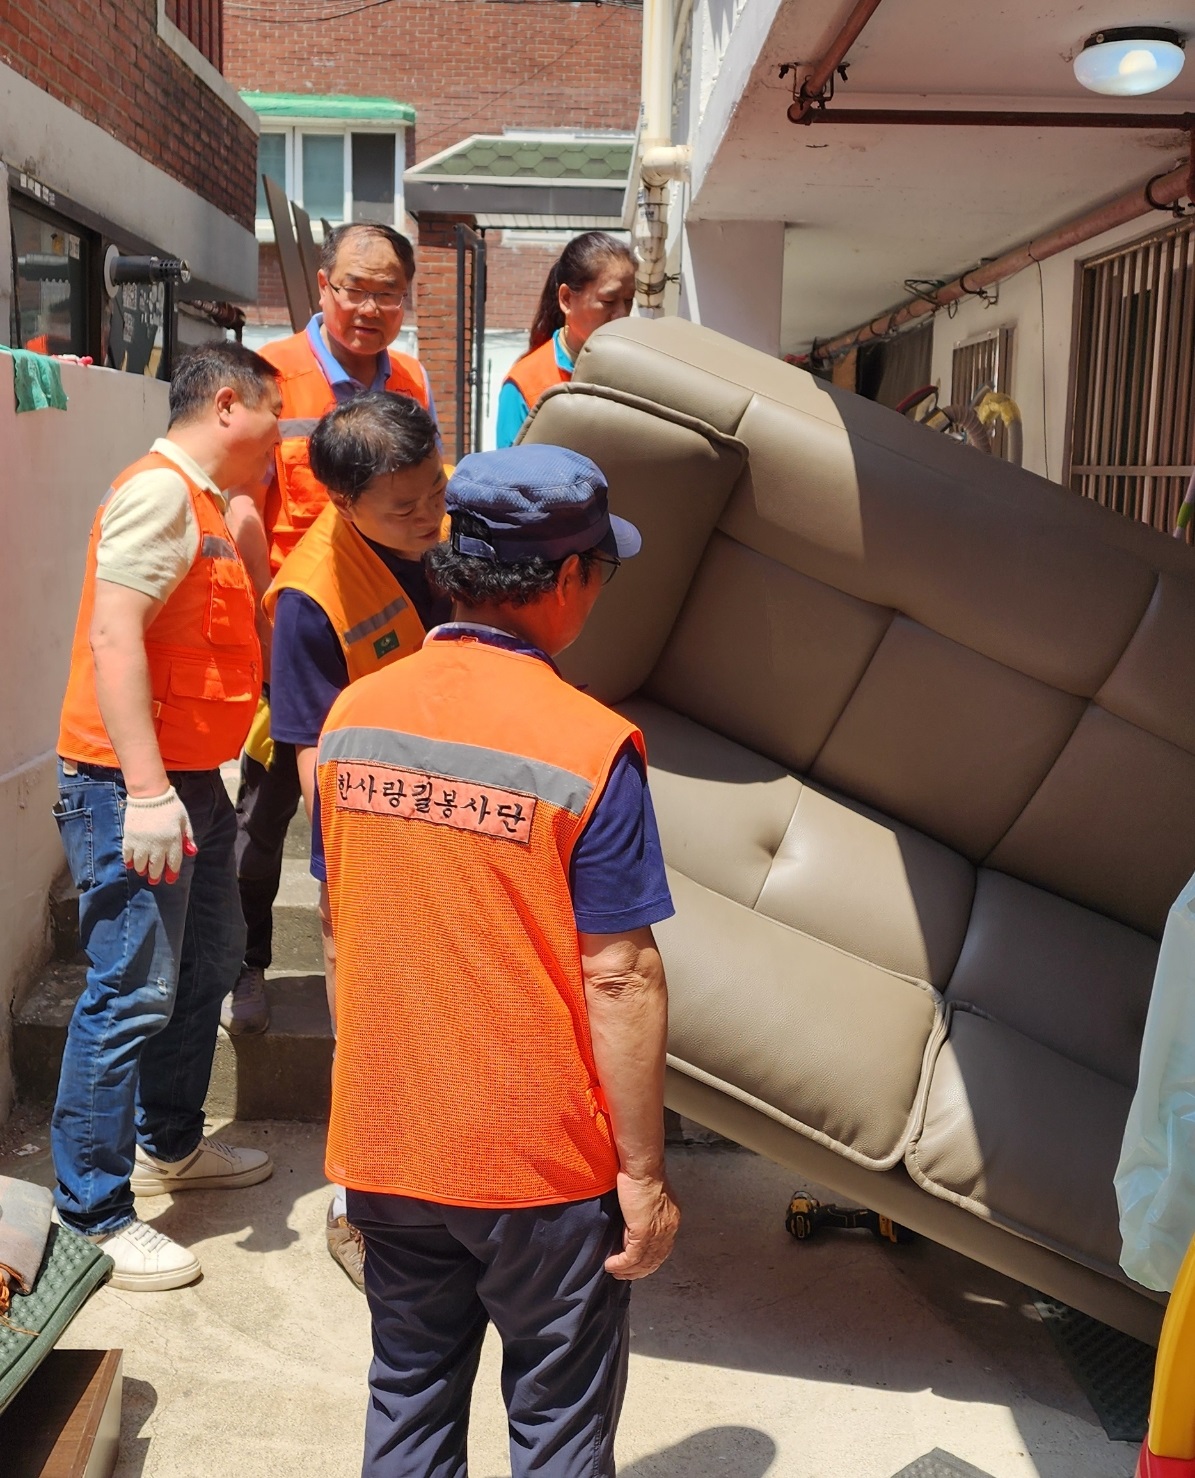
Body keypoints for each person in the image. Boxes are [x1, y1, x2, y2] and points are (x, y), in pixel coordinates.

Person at [314, 444, 680, 1477]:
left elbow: (343, 932)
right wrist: (644, 1177)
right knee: (557, 1423)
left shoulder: (351, 720)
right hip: (539, 1167)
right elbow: (618, 973)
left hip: (388, 1146)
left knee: (410, 1394)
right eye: (601, 571)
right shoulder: (589, 743)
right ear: (566, 579)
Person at [53, 343, 282, 1291]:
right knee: (131, 990)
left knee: (208, 963)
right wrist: (144, 791)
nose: (283, 437)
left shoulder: (209, 508)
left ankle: (171, 1145)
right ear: (229, 404)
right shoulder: (156, 492)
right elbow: (114, 636)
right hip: (129, 786)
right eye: (276, 414)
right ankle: (92, 1210)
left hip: (193, 781)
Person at [225, 221, 438, 1037]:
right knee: (263, 817)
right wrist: (258, 625)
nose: (369, 307)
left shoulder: (410, 377)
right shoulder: (272, 376)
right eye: (355, 287)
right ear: (323, 287)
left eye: (388, 292)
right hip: (300, 635)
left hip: (392, 637)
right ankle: (245, 966)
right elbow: (243, 503)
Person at [262, 390, 449, 1287]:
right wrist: (358, 871)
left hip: (464, 831)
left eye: (434, 492)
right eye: (403, 509)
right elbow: (310, 754)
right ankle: (356, 1203)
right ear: (343, 504)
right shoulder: (312, 598)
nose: (428, 518)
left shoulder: (450, 539)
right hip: (374, 848)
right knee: (372, 1032)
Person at [495, 232, 635, 448]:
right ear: (567, 299)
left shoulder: (638, 371)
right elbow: (507, 476)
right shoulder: (524, 383)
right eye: (608, 301)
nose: (621, 314)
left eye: (628, 300)